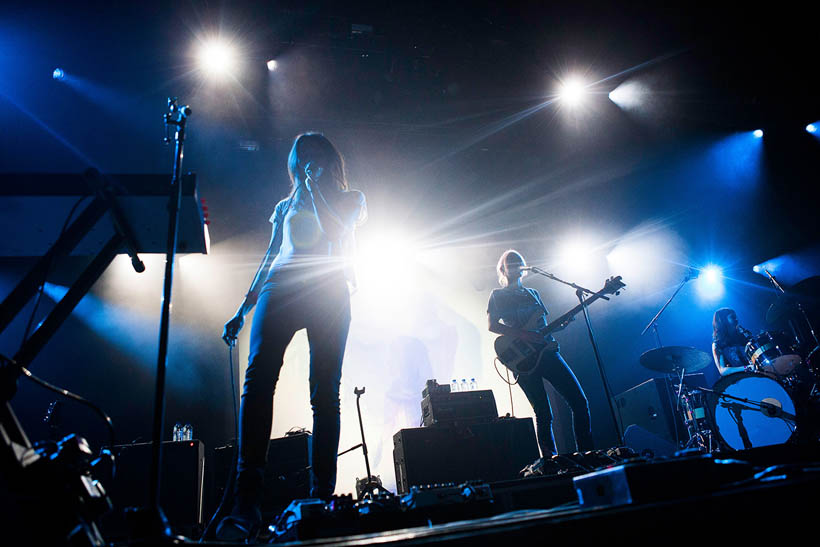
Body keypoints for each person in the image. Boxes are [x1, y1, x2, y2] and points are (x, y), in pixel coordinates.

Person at [218, 133, 366, 539]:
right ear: (295, 163)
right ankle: (245, 500)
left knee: (324, 392)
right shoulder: (284, 206)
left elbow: (335, 233)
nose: (307, 164)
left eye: (315, 157)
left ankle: (321, 494)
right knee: (259, 378)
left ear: (328, 161)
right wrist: (242, 310)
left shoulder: (351, 199)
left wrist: (317, 188)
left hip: (328, 290)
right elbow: (269, 256)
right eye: (302, 159)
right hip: (280, 288)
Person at [487, 249, 593, 458]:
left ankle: (587, 453)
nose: (517, 264)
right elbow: (492, 325)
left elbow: (542, 327)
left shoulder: (532, 293)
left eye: (519, 261)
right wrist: (523, 335)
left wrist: (561, 325)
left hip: (547, 352)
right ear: (503, 268)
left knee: (579, 402)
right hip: (522, 357)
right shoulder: (498, 295)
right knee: (543, 413)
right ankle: (550, 459)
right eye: (512, 262)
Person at [711, 308, 752, 376]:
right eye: (732, 317)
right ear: (723, 321)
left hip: (754, 374)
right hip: (736, 380)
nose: (736, 319)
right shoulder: (717, 344)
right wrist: (746, 368)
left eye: (735, 317)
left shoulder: (743, 336)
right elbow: (722, 370)